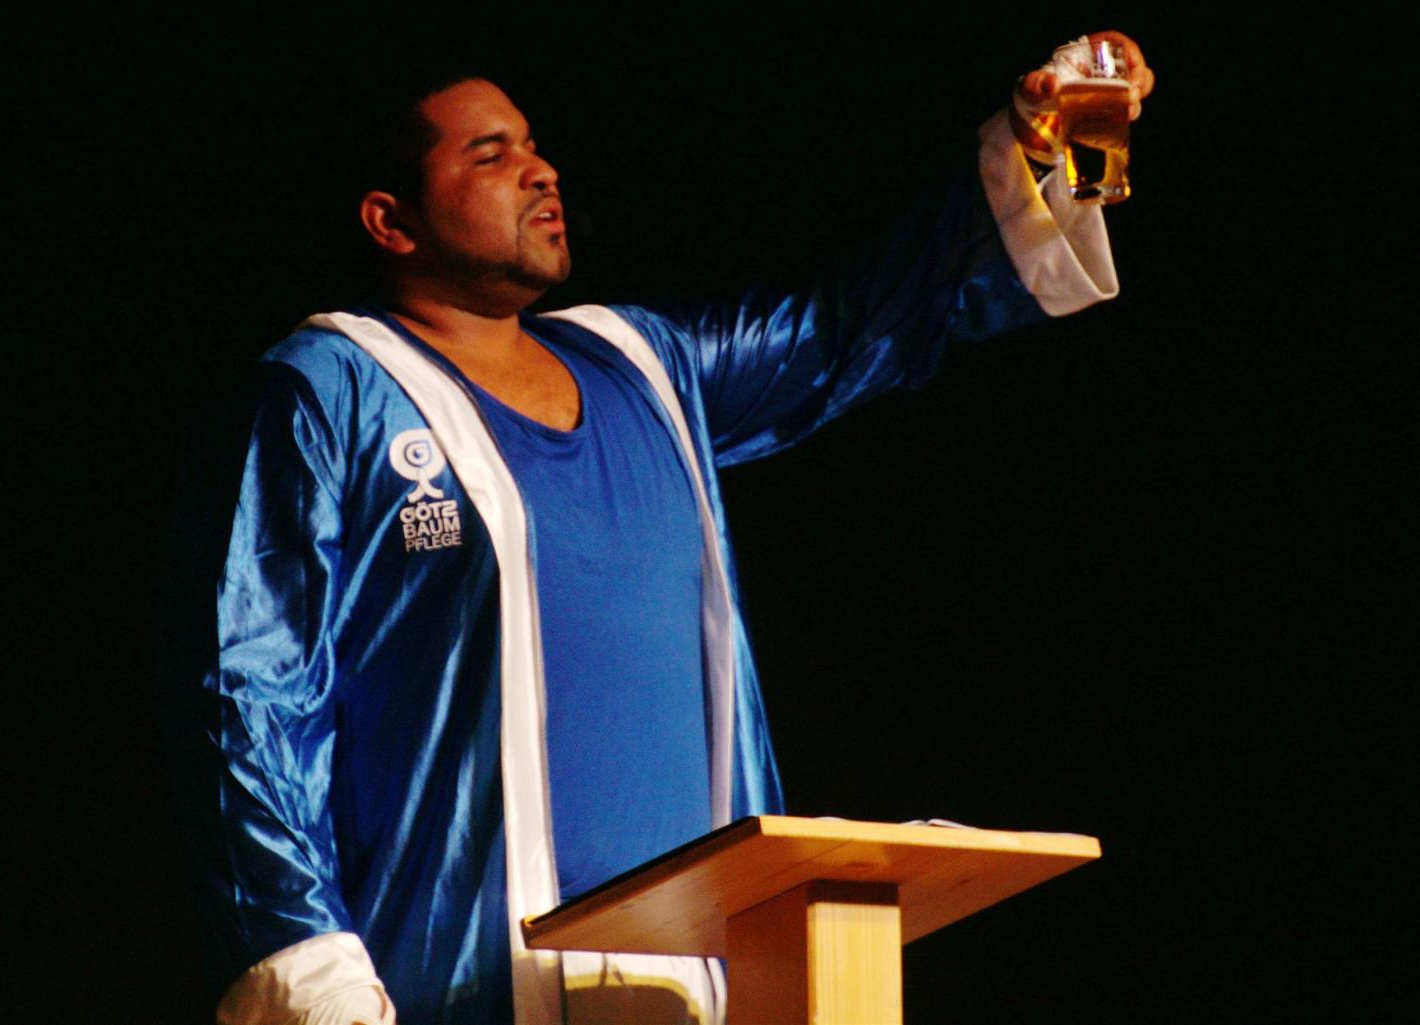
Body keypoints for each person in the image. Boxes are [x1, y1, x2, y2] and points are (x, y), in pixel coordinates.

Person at [176, 31, 1154, 1025]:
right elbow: (253, 690)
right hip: (460, 981)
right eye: (490, 154)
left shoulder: (644, 363)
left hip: (703, 986)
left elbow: (851, 325)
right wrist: (308, 969)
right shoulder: (331, 390)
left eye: (534, 145)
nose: (541, 170)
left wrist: (1049, 150)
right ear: (392, 221)